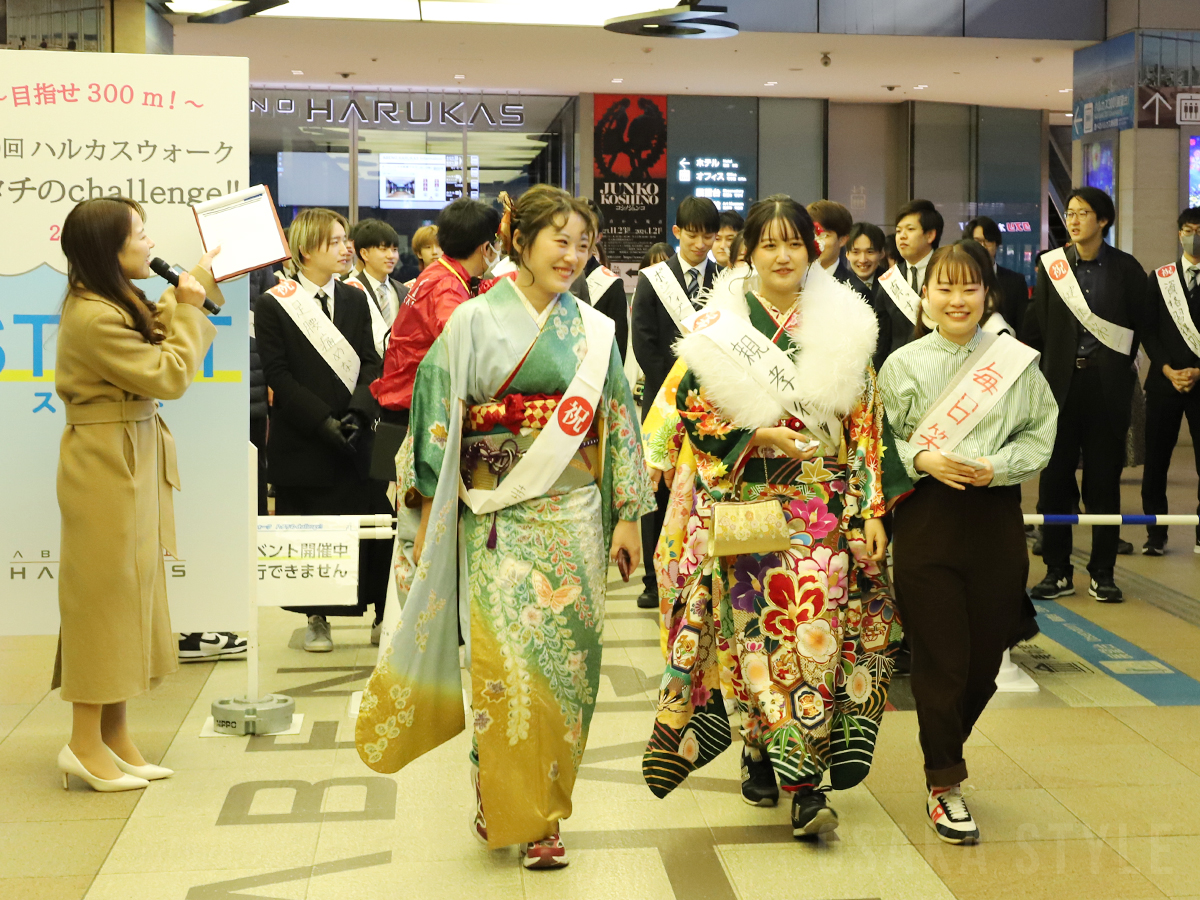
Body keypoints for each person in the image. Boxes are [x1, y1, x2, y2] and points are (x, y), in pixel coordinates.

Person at [355, 186, 654, 869]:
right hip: (497, 520)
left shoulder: (593, 329)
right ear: (520, 240)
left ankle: (545, 810)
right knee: (505, 670)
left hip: (574, 514)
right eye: (560, 241)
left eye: (583, 244)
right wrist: (429, 513)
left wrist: (629, 517)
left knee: (568, 670)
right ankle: (504, 798)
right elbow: (436, 417)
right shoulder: (472, 320)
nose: (572, 256)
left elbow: (616, 418)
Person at [642, 196, 909, 838]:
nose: (783, 256)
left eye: (795, 243)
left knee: (813, 637)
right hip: (748, 503)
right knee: (753, 643)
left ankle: (805, 784)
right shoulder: (723, 326)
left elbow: (866, 424)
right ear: (748, 254)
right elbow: (694, 410)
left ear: (813, 250)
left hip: (820, 507)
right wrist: (758, 435)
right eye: (769, 244)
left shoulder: (845, 322)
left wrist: (869, 508)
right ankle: (759, 749)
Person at [879, 241, 1056, 844]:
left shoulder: (1016, 363)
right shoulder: (902, 364)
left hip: (995, 519)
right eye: (944, 288)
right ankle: (944, 783)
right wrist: (921, 457)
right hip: (927, 519)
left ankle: (944, 752)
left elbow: (1041, 431)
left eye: (969, 288)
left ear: (988, 294)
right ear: (925, 296)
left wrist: (997, 466)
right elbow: (878, 442)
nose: (957, 299)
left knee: (983, 665)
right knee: (942, 661)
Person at [54, 197, 223, 791]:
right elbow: (168, 374)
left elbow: (161, 322)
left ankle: (114, 735)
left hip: (128, 451)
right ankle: (82, 742)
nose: (150, 242)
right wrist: (191, 306)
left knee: (132, 592)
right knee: (103, 599)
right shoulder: (94, 315)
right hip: (105, 461)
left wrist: (196, 281)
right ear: (111, 248)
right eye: (140, 233)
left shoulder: (111, 298)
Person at [255, 208, 391, 650]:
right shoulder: (275, 303)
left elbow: (371, 360)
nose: (345, 248)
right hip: (303, 436)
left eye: (345, 239)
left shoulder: (354, 298)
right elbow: (278, 374)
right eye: (334, 241)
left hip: (355, 435)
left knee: (371, 523)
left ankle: (381, 611)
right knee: (311, 530)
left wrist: (357, 412)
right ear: (306, 249)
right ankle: (317, 617)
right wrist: (321, 421)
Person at [1023, 187, 1145, 602]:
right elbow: (1038, 325)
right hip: (1060, 387)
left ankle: (1103, 573)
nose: (1073, 220)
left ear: (1103, 220)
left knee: (1103, 483)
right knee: (1055, 481)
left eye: (1083, 213)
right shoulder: (1052, 266)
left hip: (1106, 388)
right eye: (1070, 213)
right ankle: (1057, 571)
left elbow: (1139, 326)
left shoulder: (1126, 269)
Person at [631, 196, 720, 610]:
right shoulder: (654, 279)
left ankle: (700, 572)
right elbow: (644, 341)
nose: (701, 244)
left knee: (701, 486)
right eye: (693, 234)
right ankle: (654, 580)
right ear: (677, 232)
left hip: (712, 403)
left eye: (709, 236)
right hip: (663, 401)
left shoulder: (725, 280)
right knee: (657, 487)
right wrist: (675, 391)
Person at [1140, 207, 1200, 556]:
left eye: (1199, 230)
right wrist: (1166, 369)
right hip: (1164, 384)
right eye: (1188, 230)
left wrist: (1197, 371)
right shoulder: (1160, 278)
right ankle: (1155, 533)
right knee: (1156, 462)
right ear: (1179, 234)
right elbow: (1148, 330)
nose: (1194, 236)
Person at [873, 199, 943, 371]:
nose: (902, 236)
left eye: (910, 229)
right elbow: (882, 338)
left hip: (938, 368)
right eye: (898, 231)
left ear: (930, 235)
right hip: (897, 371)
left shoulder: (947, 272)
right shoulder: (890, 279)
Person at [569, 200, 629, 364]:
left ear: (598, 237)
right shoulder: (554, 273)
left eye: (588, 230)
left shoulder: (611, 284)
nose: (580, 234)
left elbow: (618, 345)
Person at [346, 218, 409, 359]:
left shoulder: (403, 291)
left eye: (394, 250)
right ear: (364, 254)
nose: (391, 256)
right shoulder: (350, 289)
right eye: (383, 249)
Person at [967, 215, 1032, 334]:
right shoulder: (960, 281)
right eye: (977, 241)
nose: (983, 246)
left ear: (996, 244)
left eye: (988, 241)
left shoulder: (1016, 282)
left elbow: (1023, 329)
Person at [807, 199, 855, 283]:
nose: (816, 242)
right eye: (810, 234)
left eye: (824, 235)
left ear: (842, 240)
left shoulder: (853, 288)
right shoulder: (794, 281)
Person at [845, 221, 886, 300]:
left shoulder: (892, 284)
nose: (863, 260)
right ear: (847, 254)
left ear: (881, 253)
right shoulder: (839, 284)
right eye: (856, 252)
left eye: (870, 252)